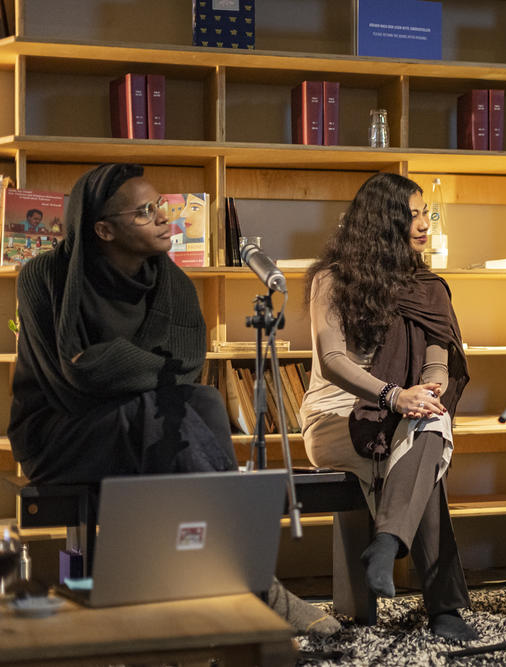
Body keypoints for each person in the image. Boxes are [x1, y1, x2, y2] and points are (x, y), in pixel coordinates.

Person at [9, 162, 341, 637]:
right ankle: (251, 583)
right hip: (59, 435)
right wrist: (137, 369)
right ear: (104, 229)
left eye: (161, 204)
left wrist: (108, 362)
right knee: (161, 409)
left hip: (142, 426)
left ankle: (222, 577)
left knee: (202, 400)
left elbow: (184, 365)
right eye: (146, 211)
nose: (166, 217)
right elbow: (70, 382)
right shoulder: (44, 277)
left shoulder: (173, 284)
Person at [299, 172, 478, 642]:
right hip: (336, 415)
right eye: (412, 216)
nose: (424, 225)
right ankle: (444, 607)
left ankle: (387, 542)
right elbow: (333, 361)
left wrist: (430, 389)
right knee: (424, 451)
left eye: (425, 214)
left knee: (429, 424)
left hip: (404, 410)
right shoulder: (332, 279)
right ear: (382, 222)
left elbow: (439, 356)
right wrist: (394, 396)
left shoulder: (427, 286)